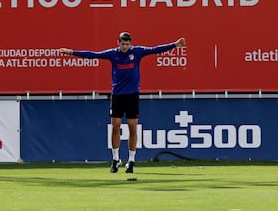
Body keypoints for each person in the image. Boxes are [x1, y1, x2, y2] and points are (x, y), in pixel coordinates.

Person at [60, 32, 186, 173]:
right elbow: (93, 54)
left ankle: (131, 160)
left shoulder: (137, 52)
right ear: (118, 43)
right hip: (118, 95)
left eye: (127, 44)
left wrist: (175, 45)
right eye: (122, 44)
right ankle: (115, 159)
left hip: (132, 95)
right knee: (116, 126)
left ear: (130, 43)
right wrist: (72, 53)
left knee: (132, 127)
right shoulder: (113, 54)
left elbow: (155, 49)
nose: (125, 46)